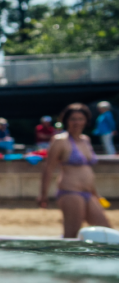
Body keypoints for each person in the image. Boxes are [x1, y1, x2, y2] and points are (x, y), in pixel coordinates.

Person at [39, 102, 112, 238]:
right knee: (72, 235)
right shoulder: (60, 140)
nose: (77, 122)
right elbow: (49, 168)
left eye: (80, 119)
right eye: (73, 119)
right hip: (70, 192)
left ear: (86, 121)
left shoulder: (86, 140)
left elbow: (88, 172)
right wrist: (43, 194)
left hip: (89, 194)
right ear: (66, 121)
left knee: (106, 232)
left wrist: (96, 194)